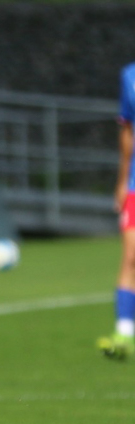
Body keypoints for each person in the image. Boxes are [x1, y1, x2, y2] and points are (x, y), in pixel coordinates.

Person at [99, 60, 135, 359]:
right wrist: (122, 180)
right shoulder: (129, 76)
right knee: (132, 256)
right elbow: (127, 129)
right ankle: (124, 334)